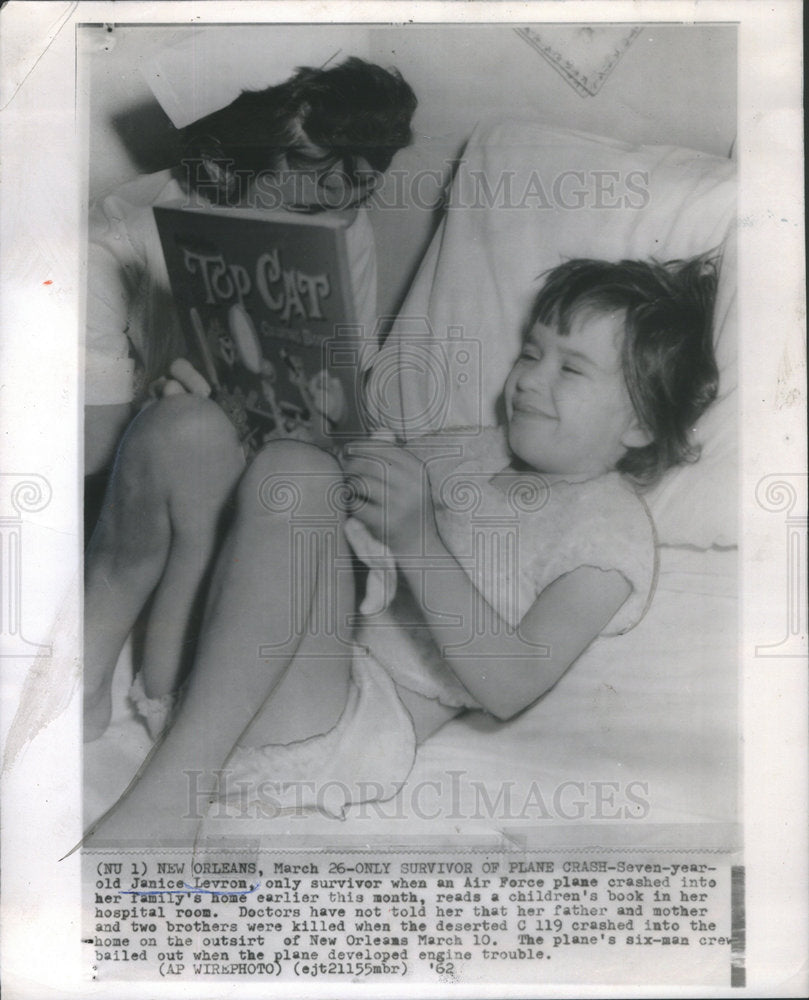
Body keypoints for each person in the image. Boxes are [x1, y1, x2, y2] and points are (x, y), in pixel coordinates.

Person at [83, 253, 719, 845]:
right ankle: (78, 682)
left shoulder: (608, 535)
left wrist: (416, 537)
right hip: (209, 679)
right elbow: (326, 511)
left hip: (331, 727)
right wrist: (271, 418)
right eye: (530, 354)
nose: (527, 380)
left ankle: (169, 803)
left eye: (570, 368)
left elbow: (513, 685)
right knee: (185, 427)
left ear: (641, 422)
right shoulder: (475, 446)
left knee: (294, 477)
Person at [84, 56, 418, 479]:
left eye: (357, 203)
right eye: (305, 210)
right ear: (217, 167)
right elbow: (89, 465)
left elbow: (347, 390)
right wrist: (153, 429)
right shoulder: (108, 247)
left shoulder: (338, 214)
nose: (340, 227)